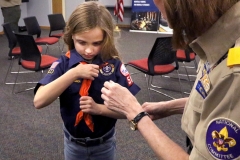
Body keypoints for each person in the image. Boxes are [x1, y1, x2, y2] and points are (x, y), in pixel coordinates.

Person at [101, 0, 240, 159]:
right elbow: (213, 97)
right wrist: (169, 107)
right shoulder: (218, 40)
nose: (160, 13)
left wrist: (136, 114)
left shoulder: (234, 72)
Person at [33, 2, 140, 160]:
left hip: (104, 144)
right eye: (82, 42)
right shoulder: (64, 63)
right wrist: (73, 73)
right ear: (72, 37)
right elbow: (38, 101)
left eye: (97, 43)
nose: (89, 50)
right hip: (73, 144)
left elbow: (132, 111)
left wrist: (99, 109)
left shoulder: (114, 65)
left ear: (106, 38)